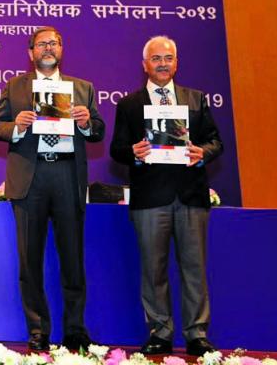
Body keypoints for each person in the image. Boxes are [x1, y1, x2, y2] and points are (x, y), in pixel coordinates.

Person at [0, 27, 104, 351]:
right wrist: (18, 127)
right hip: (31, 177)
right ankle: (37, 329)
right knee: (30, 260)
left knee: (72, 258)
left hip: (67, 175)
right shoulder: (15, 87)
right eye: (42, 44)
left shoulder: (82, 89)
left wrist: (84, 123)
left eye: (53, 43)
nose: (48, 48)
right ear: (30, 52)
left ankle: (75, 329)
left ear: (62, 49)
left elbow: (97, 131)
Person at [110, 35, 222, 356]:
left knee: (194, 268)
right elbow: (117, 149)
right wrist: (132, 152)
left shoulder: (196, 99)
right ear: (145, 64)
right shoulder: (129, 104)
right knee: (153, 269)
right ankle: (159, 332)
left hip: (191, 196)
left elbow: (216, 142)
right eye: (156, 58)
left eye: (168, 58)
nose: (162, 64)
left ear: (176, 63)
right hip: (149, 199)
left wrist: (203, 152)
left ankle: (196, 334)